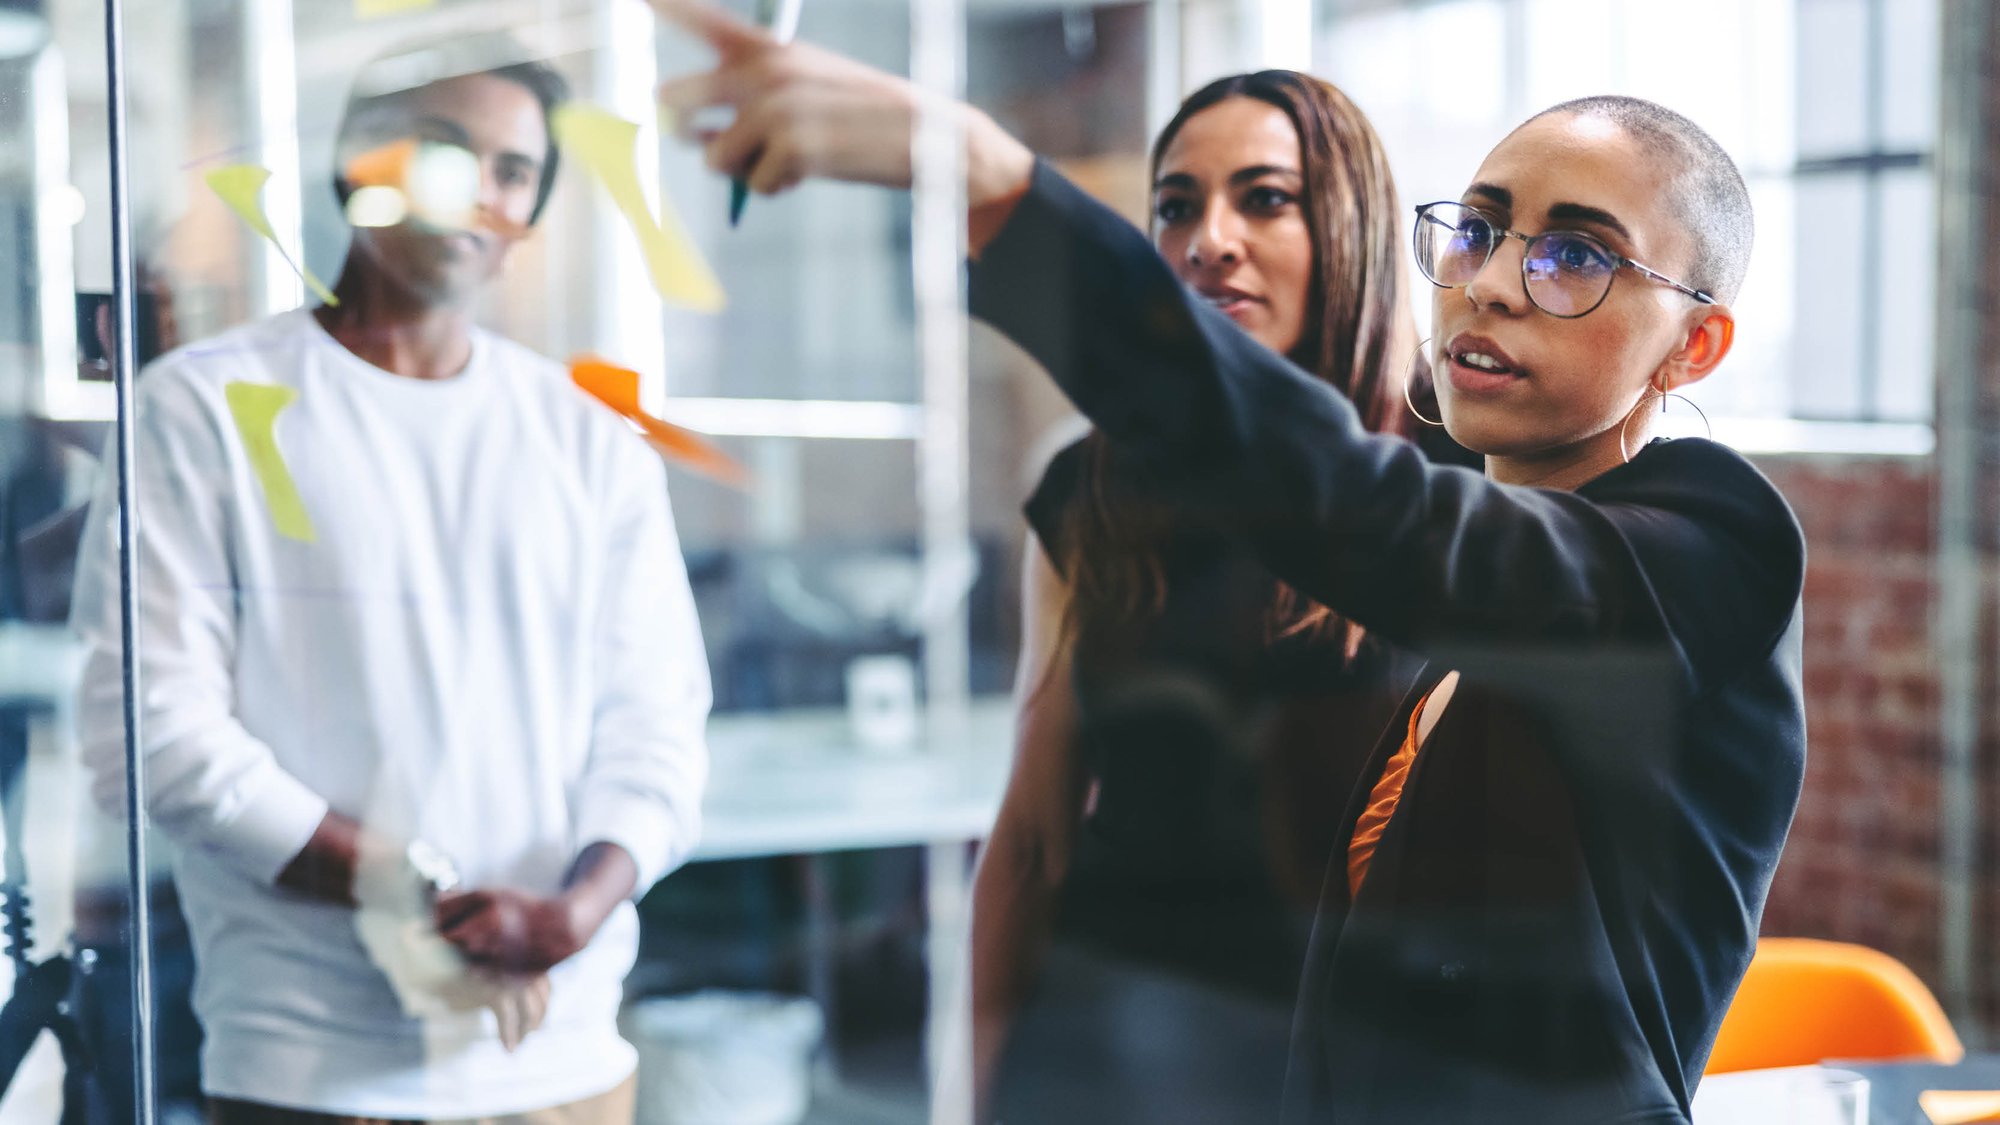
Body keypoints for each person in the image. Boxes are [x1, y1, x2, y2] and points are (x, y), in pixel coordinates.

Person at [651, 4, 1806, 1122]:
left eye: (1574, 256)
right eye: (1477, 230)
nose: (1492, 281)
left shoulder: (1708, 546)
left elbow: (1368, 511)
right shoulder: (1406, 570)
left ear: (1691, 345)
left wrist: (998, 188)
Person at [70, 42, 710, 1124]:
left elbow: (659, 731)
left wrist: (576, 909)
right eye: (445, 151)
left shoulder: (588, 440)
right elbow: (151, 734)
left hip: (567, 1064)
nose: (481, 193)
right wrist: (412, 891)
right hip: (317, 1070)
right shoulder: (208, 407)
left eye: (514, 170)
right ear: (358, 164)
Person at [971, 70, 1470, 1123]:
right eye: (1175, 206)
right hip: (1109, 1043)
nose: (1208, 241)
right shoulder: (1092, 482)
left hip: (1365, 1057)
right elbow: (1031, 835)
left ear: (1349, 224)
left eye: (1264, 198)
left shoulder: (1455, 478)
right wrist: (970, 1085)